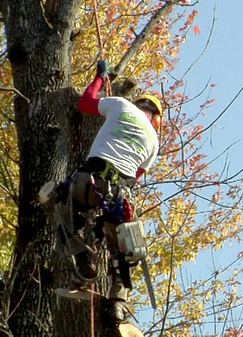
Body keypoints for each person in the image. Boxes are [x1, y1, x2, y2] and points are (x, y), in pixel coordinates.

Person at [50, 60, 162, 323]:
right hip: (117, 194)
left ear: (138, 105)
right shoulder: (154, 144)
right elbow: (134, 179)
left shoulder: (121, 105)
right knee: (122, 249)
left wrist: (100, 77)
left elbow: (86, 102)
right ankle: (117, 303)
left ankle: (83, 263)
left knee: (65, 212)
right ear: (156, 119)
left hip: (86, 181)